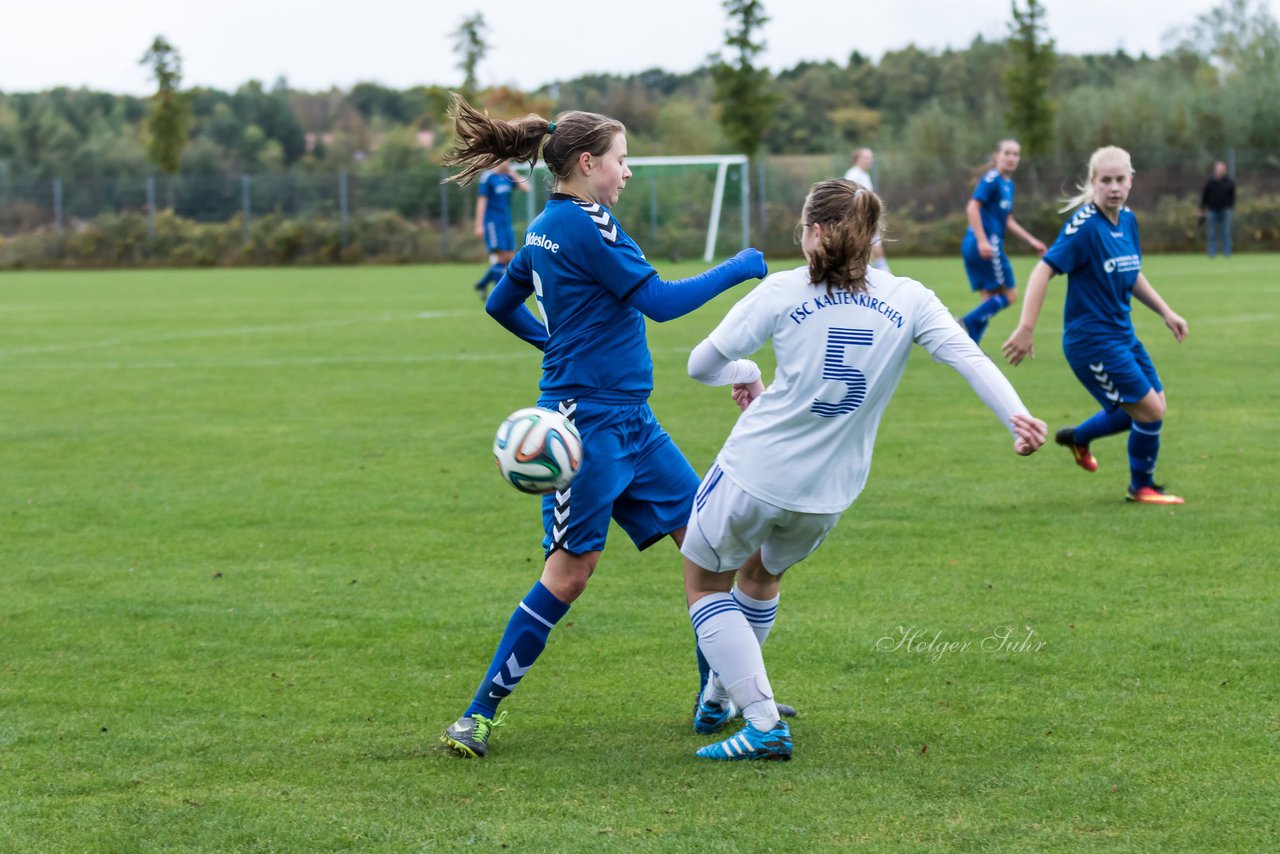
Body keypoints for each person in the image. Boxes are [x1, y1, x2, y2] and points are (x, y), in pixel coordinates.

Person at [437, 94, 768, 759]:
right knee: (570, 573)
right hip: (584, 429)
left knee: (709, 547)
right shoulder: (590, 223)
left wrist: (552, 347)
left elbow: (503, 304)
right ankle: (477, 715)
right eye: (623, 160)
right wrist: (742, 266)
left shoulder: (545, 226)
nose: (628, 173)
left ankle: (719, 698)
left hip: (635, 423)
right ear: (588, 163)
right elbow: (661, 303)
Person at [682, 179, 1047, 761]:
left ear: (817, 232)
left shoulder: (784, 289)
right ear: (874, 239)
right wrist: (1018, 418)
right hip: (829, 493)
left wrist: (748, 372)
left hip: (756, 470)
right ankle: (723, 693)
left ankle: (763, 721)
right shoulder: (910, 297)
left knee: (704, 585)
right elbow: (969, 358)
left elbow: (702, 364)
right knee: (761, 575)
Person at [1001, 146, 1188, 505]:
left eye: (1120, 179)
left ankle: (1079, 437)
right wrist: (1026, 327)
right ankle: (1141, 487)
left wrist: (1167, 312)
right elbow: (1044, 269)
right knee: (1149, 412)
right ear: (1093, 183)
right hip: (1092, 342)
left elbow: (1131, 273)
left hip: (1122, 335)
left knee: (1151, 406)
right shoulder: (1084, 228)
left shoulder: (1128, 220)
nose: (1114, 187)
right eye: (1106, 181)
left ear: (1131, 181)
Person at [958, 139, 1047, 344]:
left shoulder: (1008, 185)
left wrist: (1032, 241)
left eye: (1016, 154)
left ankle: (970, 348)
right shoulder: (992, 180)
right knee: (1011, 294)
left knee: (989, 301)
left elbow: (1007, 220)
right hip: (987, 244)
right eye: (1007, 153)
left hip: (978, 244)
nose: (1012, 158)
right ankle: (963, 324)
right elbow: (972, 208)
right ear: (997, 156)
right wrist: (982, 241)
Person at [472, 159, 530, 298]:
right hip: (493, 223)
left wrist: (512, 172)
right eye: (506, 160)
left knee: (510, 258)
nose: (508, 162)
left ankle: (483, 284)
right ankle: (500, 294)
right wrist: (479, 225)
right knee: (502, 256)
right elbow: (482, 201)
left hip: (506, 222)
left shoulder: (508, 177)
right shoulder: (488, 178)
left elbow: (527, 188)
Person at [843, 147, 891, 273]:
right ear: (858, 159)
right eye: (867, 157)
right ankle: (884, 272)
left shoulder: (863, 175)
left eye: (871, 157)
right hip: (861, 217)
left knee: (872, 243)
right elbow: (851, 197)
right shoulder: (853, 174)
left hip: (866, 216)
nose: (871, 160)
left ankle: (878, 271)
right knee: (873, 243)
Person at [1200, 160, 1236, 259]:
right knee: (1211, 233)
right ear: (1215, 169)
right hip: (1212, 210)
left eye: (1223, 169)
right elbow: (1204, 195)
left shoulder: (1229, 181)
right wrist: (1201, 209)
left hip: (1225, 210)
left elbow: (1232, 196)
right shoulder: (1210, 181)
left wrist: (1230, 207)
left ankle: (1227, 253)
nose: (1221, 171)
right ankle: (1212, 254)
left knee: (1226, 232)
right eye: (1219, 169)